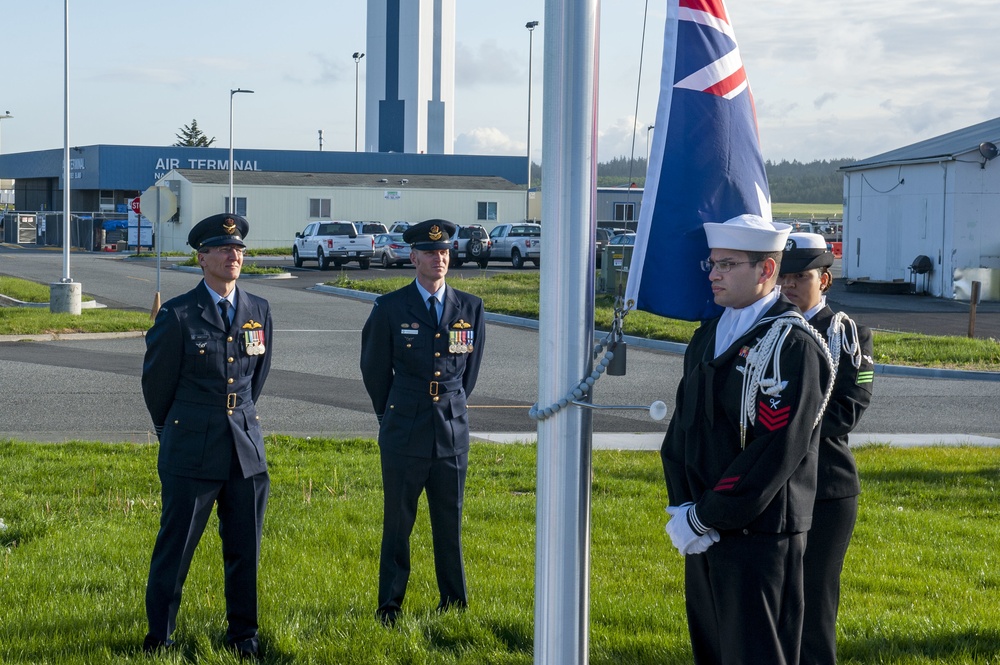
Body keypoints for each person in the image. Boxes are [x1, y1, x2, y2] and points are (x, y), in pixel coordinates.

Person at [661, 214, 834, 664]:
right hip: (703, 528)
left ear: (767, 271)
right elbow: (684, 430)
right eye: (713, 264)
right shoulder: (708, 337)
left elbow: (772, 453)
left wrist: (706, 515)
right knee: (713, 651)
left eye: (728, 264)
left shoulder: (792, 346)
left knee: (757, 654)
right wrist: (684, 507)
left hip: (758, 535)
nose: (715, 274)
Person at [141, 213, 273, 659]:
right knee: (176, 550)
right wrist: (173, 433)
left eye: (238, 249)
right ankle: (160, 636)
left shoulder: (258, 310)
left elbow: (256, 379)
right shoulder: (178, 315)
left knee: (245, 550)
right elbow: (157, 386)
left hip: (245, 449)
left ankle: (244, 635)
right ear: (202, 258)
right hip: (191, 450)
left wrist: (239, 419)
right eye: (223, 249)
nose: (234, 255)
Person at [360, 218, 486, 626]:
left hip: (451, 429)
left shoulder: (469, 307)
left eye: (445, 251)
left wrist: (451, 406)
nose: (439, 259)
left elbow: (468, 374)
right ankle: (390, 606)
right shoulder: (390, 307)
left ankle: (454, 603)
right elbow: (374, 370)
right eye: (431, 253)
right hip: (404, 428)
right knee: (398, 523)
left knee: (449, 522)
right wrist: (392, 413)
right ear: (413, 256)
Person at [779, 232, 874, 665]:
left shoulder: (847, 334)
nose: (790, 285)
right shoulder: (772, 331)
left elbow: (846, 412)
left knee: (814, 604)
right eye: (784, 275)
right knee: (777, 599)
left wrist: (779, 435)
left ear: (826, 280)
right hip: (776, 488)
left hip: (827, 488)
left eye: (801, 276)